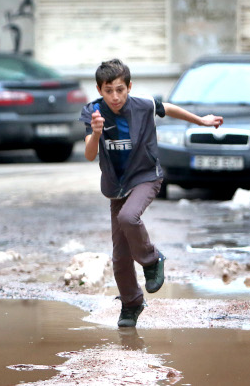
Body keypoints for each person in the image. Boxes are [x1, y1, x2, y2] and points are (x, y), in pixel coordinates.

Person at [81, 59, 223, 328]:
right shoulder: (93, 112)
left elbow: (167, 108)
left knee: (129, 217)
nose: (115, 96)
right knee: (120, 257)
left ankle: (152, 259)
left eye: (120, 89)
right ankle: (132, 303)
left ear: (129, 87)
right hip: (116, 185)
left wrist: (200, 120)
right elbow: (90, 154)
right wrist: (96, 133)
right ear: (99, 89)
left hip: (145, 177)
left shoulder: (143, 104)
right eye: (108, 90)